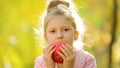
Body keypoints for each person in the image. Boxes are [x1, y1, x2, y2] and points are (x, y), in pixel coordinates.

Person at [34, 0, 96, 68]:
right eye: (53, 31)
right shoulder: (40, 63)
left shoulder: (87, 60)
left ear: (75, 35)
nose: (59, 35)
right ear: (46, 38)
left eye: (66, 30)